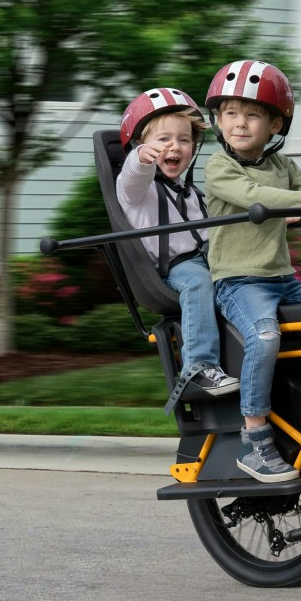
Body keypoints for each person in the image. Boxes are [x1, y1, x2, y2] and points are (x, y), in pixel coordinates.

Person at [204, 59, 301, 483]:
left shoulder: (282, 166)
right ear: (218, 120)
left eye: (252, 114)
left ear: (274, 125)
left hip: (282, 281)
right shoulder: (219, 166)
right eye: (230, 113)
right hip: (238, 282)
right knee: (264, 337)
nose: (239, 123)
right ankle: (255, 438)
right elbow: (251, 193)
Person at [115, 87, 234, 415]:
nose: (174, 146)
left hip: (209, 260)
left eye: (184, 140)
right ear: (142, 144)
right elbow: (131, 177)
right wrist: (141, 157)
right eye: (162, 139)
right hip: (174, 269)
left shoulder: (193, 193)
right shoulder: (136, 193)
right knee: (199, 282)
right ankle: (198, 368)